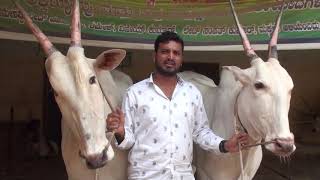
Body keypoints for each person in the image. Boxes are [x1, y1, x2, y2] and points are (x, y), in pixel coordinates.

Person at [107, 31, 248, 180]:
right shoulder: (135, 93)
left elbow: (200, 132)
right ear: (154, 56)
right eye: (165, 52)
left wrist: (225, 145)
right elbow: (127, 142)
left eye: (176, 53)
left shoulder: (192, 93)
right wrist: (121, 131)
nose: (170, 57)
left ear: (181, 59)